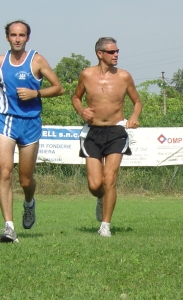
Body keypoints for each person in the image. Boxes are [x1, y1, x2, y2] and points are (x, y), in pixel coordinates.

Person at [0, 20, 64, 243]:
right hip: (5, 121)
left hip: (30, 123)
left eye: (21, 35)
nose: (17, 39)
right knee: (5, 171)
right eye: (13, 35)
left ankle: (29, 203)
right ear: (7, 37)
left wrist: (35, 93)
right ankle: (9, 227)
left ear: (27, 38)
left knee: (25, 180)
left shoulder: (36, 60)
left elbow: (59, 88)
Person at [72, 37, 142, 237]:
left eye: (117, 51)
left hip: (116, 132)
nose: (116, 55)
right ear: (99, 54)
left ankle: (105, 226)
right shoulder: (86, 74)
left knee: (109, 178)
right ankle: (100, 198)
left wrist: (134, 118)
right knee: (95, 185)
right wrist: (81, 111)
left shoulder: (124, 76)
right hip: (92, 132)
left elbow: (137, 102)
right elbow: (76, 97)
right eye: (112, 52)